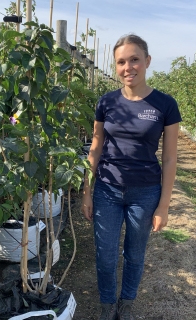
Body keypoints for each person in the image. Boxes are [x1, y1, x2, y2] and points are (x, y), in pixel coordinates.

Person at [81, 34, 182, 320]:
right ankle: (107, 305)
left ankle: (126, 303)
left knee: (134, 255)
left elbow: (171, 157)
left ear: (147, 61)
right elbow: (96, 147)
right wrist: (87, 192)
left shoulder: (165, 104)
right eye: (121, 62)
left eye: (134, 59)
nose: (128, 67)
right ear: (116, 66)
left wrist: (163, 205)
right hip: (107, 190)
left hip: (145, 192)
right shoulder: (106, 102)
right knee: (105, 255)